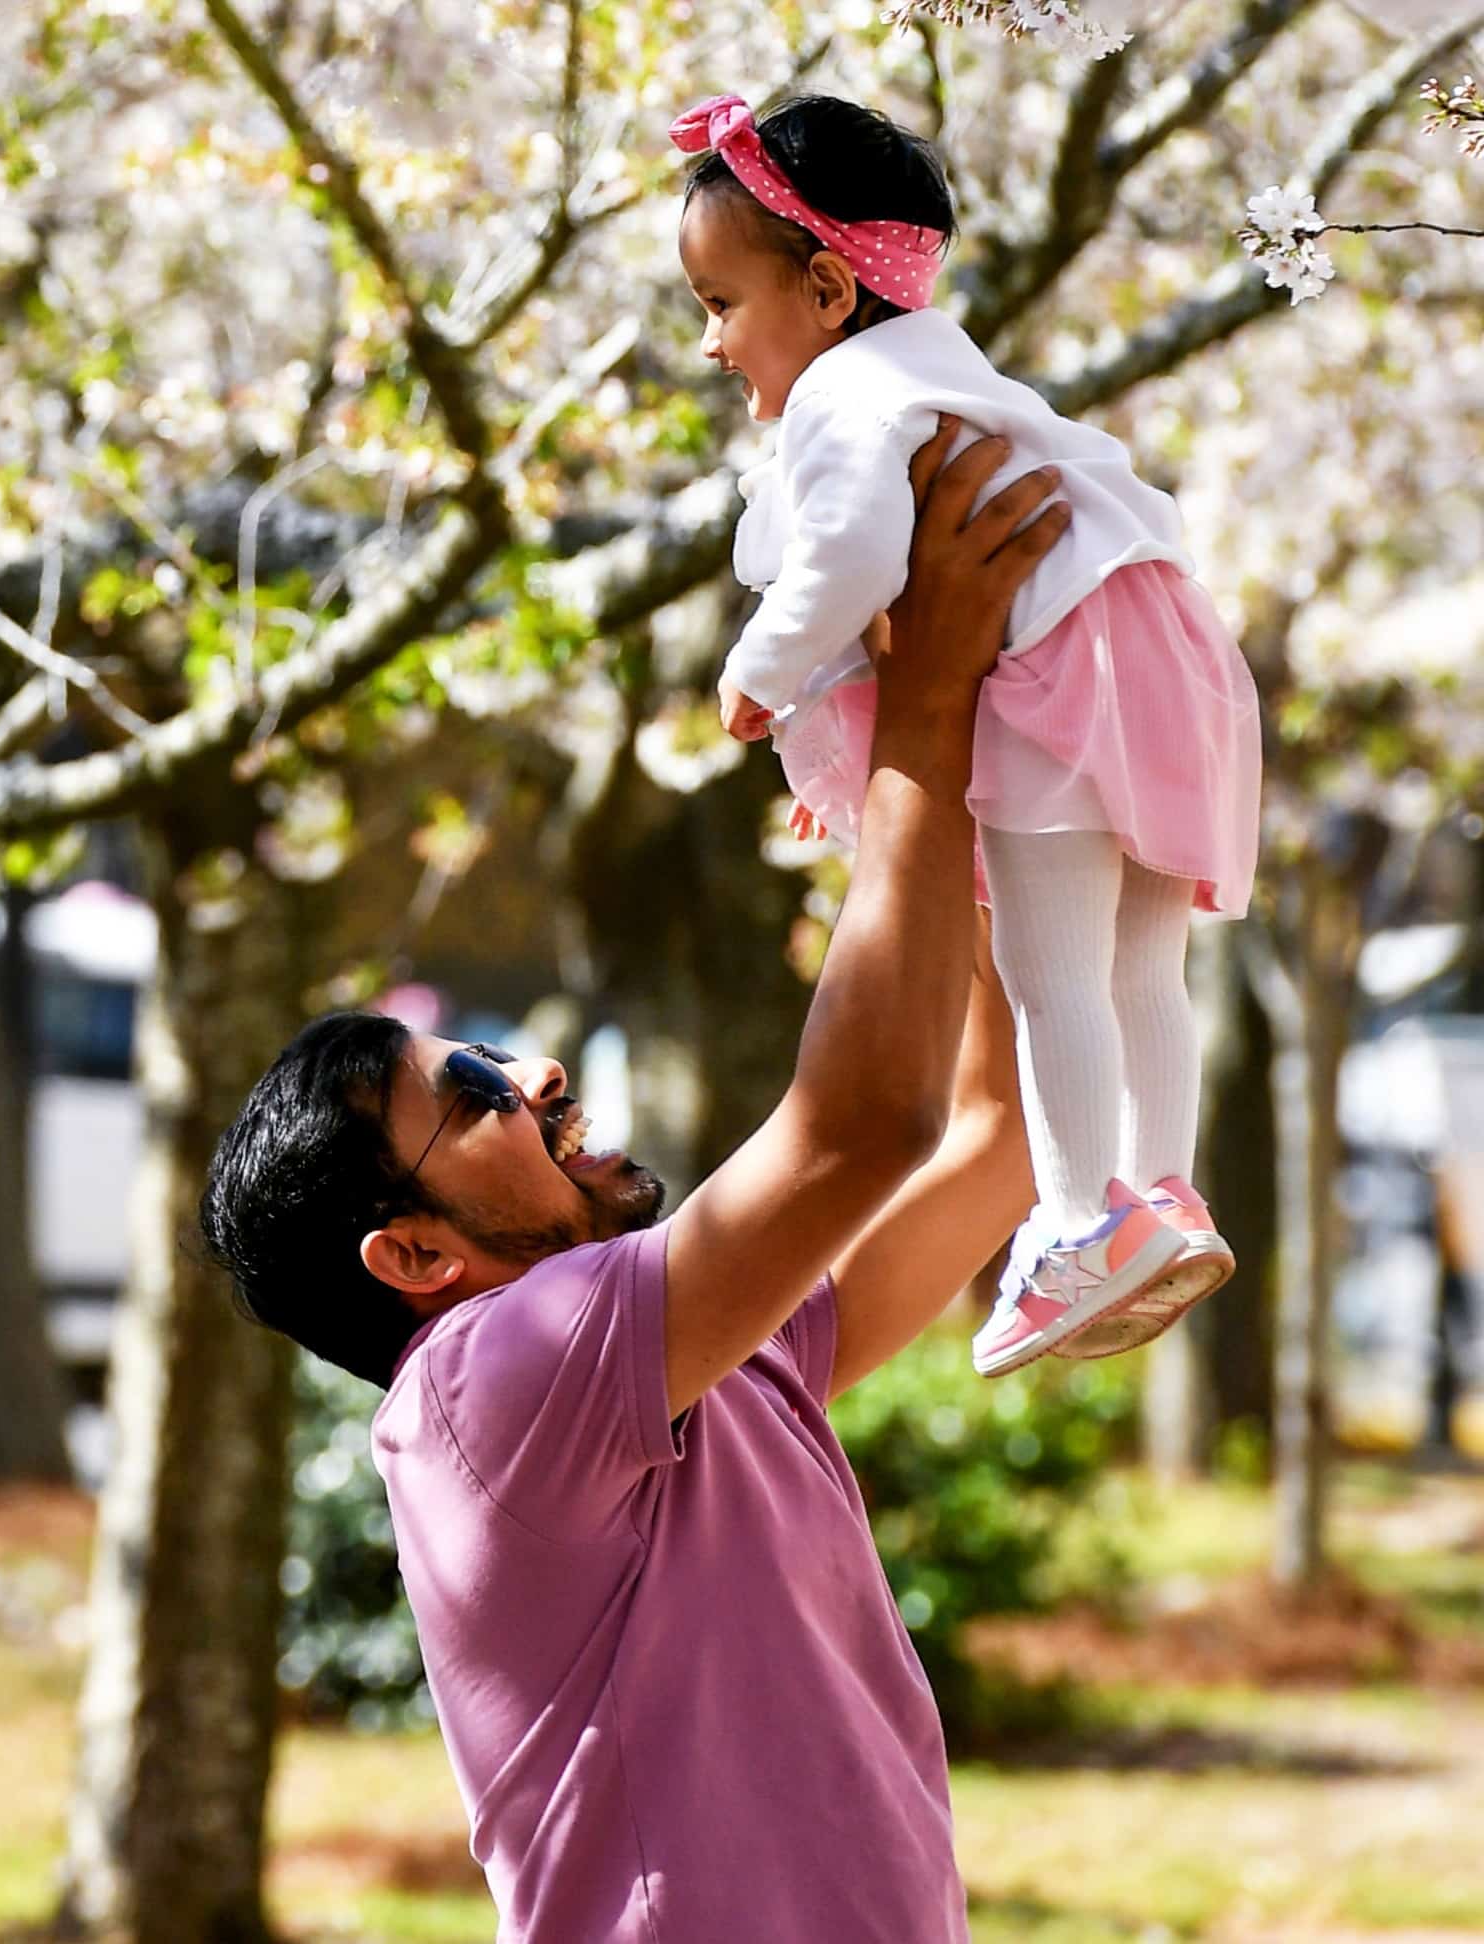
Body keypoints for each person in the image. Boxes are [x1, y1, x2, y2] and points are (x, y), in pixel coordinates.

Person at [201, 423, 1057, 1942]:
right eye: (470, 1098)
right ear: (410, 1259)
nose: (529, 1076)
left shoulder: (710, 1362)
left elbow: (986, 1138)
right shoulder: (490, 1378)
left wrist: (942, 776)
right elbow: (862, 1123)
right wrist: (924, 701)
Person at [674, 92, 1262, 1375]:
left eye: (720, 304)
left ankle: (1072, 1224)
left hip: (1058, 683)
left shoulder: (844, 394)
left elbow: (850, 563)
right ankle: (1162, 1192)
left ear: (828, 289)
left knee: (1053, 973)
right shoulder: (958, 374)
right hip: (1166, 657)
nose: (711, 345)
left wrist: (759, 672)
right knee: (1140, 970)